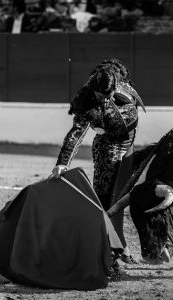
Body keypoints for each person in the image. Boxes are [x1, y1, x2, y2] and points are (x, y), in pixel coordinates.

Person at [50, 58, 145, 266]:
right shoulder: (87, 100)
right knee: (105, 200)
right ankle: (109, 252)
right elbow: (76, 133)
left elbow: (131, 119)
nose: (104, 98)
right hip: (107, 149)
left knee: (119, 199)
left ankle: (121, 248)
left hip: (127, 147)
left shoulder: (121, 87)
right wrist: (63, 162)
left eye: (108, 94)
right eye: (101, 95)